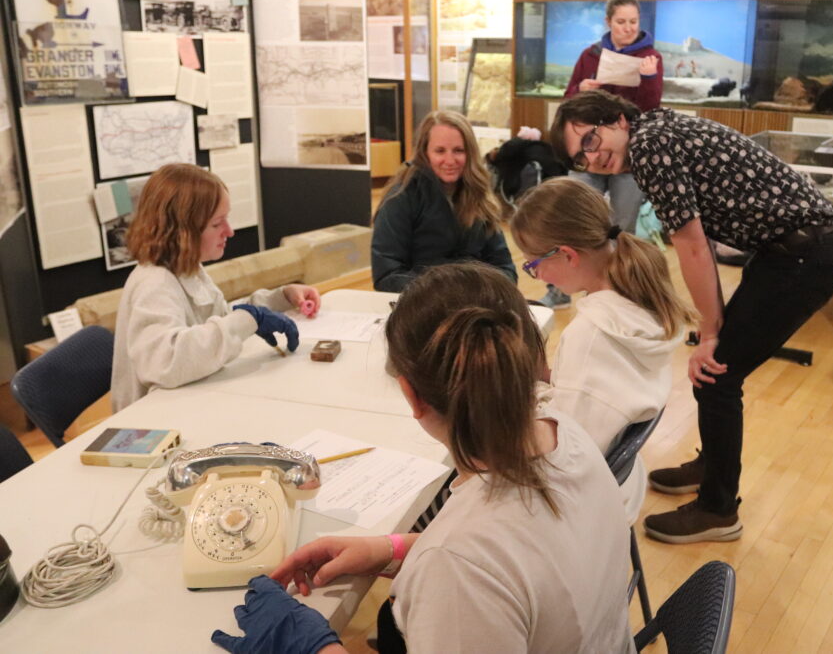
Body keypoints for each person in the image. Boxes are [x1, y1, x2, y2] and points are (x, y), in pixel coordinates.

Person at [212, 263, 634, 653]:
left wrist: (312, 648)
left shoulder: (458, 567)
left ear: (411, 395)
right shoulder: (565, 431)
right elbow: (522, 562)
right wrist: (390, 550)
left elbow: (479, 562)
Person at [550, 90, 833, 544]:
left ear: (616, 119)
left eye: (590, 141)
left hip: (807, 254)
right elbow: (698, 238)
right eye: (580, 158)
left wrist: (709, 332)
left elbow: (690, 245)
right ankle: (712, 466)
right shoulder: (656, 131)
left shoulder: (649, 146)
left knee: (716, 376)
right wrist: (710, 326)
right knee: (715, 374)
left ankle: (719, 509)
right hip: (789, 249)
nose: (592, 159)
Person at [510, 176, 692, 522]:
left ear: (567, 255)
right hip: (621, 481)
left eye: (533, 265)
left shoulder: (591, 334)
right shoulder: (640, 303)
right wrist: (548, 377)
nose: (538, 276)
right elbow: (601, 398)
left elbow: (565, 453)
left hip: (586, 504)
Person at [111, 164, 320, 412]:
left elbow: (219, 318)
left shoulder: (186, 267)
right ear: (182, 230)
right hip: (151, 419)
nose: (229, 232)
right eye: (217, 224)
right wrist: (249, 319)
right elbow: (165, 362)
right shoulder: (154, 282)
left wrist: (280, 298)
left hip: (187, 401)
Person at [541, 0, 662, 310]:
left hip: (628, 158)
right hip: (588, 156)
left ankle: (620, 292)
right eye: (621, 21)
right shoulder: (590, 55)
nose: (628, 28)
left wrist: (649, 78)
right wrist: (579, 89)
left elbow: (650, 110)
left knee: (623, 229)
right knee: (570, 216)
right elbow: (569, 105)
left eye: (633, 21)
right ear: (608, 22)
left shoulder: (651, 57)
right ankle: (559, 290)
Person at [371, 111, 516, 293]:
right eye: (440, 151)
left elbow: (505, 268)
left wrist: (486, 291)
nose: (450, 160)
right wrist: (448, 292)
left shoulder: (480, 196)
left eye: (458, 150)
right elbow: (386, 275)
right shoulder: (400, 198)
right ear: (425, 152)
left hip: (476, 300)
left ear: (470, 153)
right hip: (422, 302)